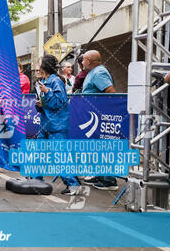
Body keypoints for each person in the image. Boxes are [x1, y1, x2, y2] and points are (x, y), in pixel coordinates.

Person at [35, 54, 80, 195]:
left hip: (57, 125)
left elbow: (60, 102)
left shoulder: (55, 81)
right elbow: (47, 105)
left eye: (40, 64)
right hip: (46, 124)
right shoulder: (44, 81)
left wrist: (47, 93)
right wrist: (40, 105)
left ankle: (73, 185)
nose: (38, 67)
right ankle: (36, 181)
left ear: (45, 66)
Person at [81, 50, 118, 190]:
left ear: (89, 61)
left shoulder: (99, 73)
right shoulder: (94, 72)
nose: (82, 62)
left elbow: (111, 92)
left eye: (84, 60)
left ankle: (109, 180)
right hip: (94, 115)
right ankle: (100, 175)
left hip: (100, 116)